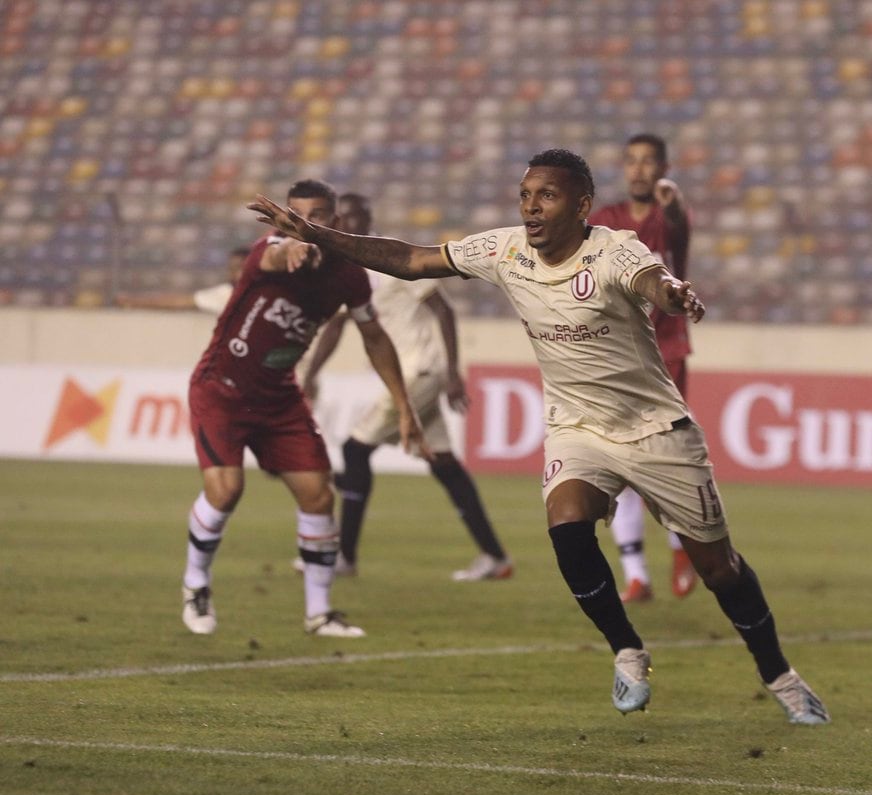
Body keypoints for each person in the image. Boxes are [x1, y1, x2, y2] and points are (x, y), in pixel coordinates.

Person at [248, 150, 830, 724]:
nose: (531, 208)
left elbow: (652, 278)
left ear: (582, 205)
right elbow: (410, 258)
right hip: (576, 427)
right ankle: (627, 649)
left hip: (656, 431)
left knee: (719, 569)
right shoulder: (505, 249)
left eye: (546, 196)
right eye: (525, 195)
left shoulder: (612, 251)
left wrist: (672, 294)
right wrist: (318, 234)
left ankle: (779, 674)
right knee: (567, 528)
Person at [182, 179, 427, 638]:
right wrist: (292, 249)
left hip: (279, 397)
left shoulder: (350, 276)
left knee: (318, 495)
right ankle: (196, 583)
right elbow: (281, 253)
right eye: (294, 215)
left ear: (334, 221)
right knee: (226, 490)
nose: (303, 224)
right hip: (222, 389)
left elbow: (373, 335)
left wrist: (403, 402)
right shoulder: (267, 253)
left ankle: (319, 613)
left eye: (315, 216)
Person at [295, 192, 513, 581]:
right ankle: (495, 557)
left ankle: (344, 556)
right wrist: (311, 374)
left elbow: (443, 309)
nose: (349, 225)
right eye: (342, 220)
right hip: (410, 375)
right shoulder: (348, 268)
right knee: (444, 464)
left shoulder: (385, 258)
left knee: (354, 449)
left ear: (368, 219)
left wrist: (453, 373)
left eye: (357, 218)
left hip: (420, 372)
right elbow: (336, 327)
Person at [588, 133, 698, 603]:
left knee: (665, 459)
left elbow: (677, 227)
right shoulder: (605, 222)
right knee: (622, 462)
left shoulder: (668, 218)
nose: (637, 170)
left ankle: (681, 545)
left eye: (647, 162)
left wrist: (672, 205)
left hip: (665, 355)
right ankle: (636, 574)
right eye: (630, 161)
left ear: (663, 168)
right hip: (618, 358)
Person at [116, 246, 250, 313]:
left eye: (239, 268)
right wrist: (135, 302)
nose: (234, 274)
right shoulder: (227, 294)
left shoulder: (268, 291)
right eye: (231, 269)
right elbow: (181, 302)